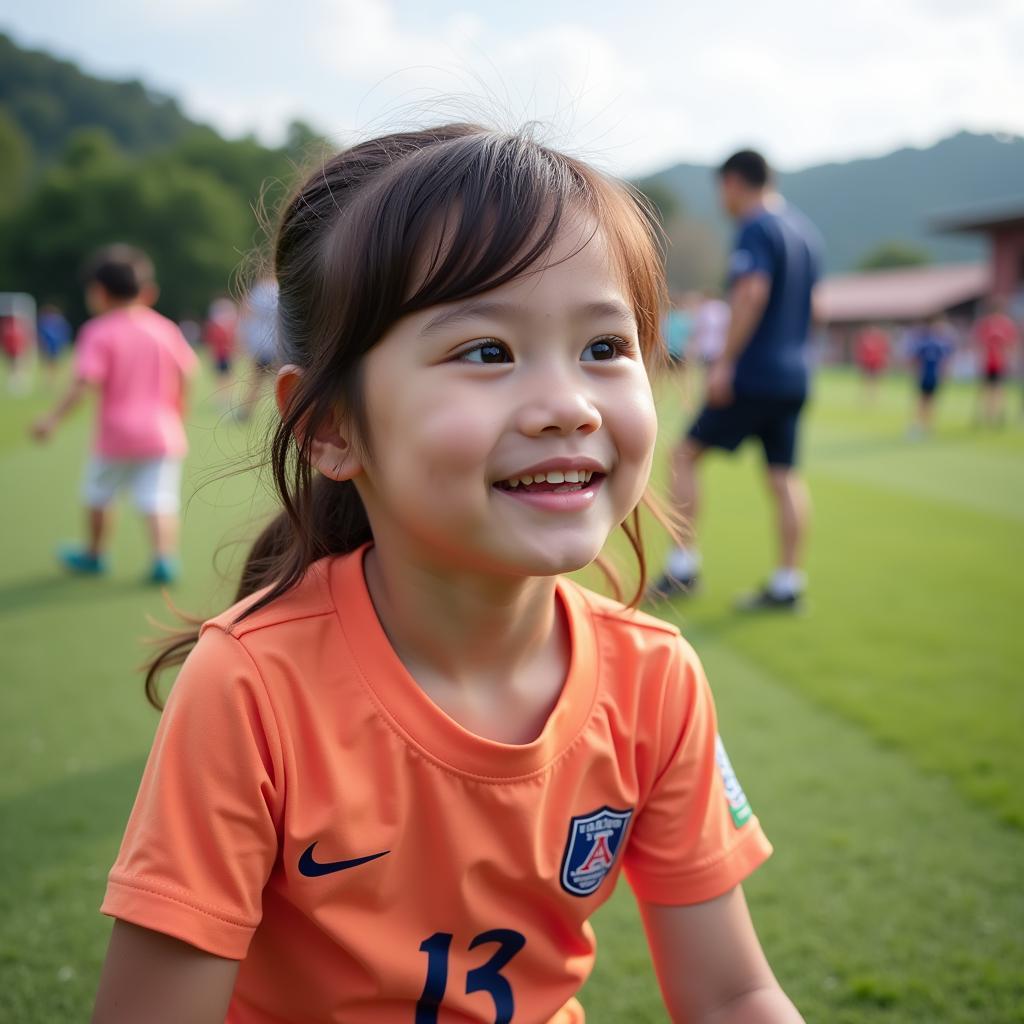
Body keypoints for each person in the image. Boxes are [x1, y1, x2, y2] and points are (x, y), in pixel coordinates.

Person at [91, 126, 803, 1024]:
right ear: (329, 429)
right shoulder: (251, 685)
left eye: (605, 348)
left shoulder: (656, 680)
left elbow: (734, 994)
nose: (568, 406)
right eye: (486, 352)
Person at [649, 150, 822, 611]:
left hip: (753, 373)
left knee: (682, 455)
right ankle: (788, 583)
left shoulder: (757, 227)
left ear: (733, 183)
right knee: (784, 477)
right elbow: (816, 309)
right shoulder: (805, 234)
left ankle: (682, 568)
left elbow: (751, 292)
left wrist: (725, 361)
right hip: (794, 375)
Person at [31, 245, 198, 584]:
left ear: (98, 292)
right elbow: (187, 373)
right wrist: (179, 409)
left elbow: (84, 383)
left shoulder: (99, 331)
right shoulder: (165, 329)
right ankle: (164, 559)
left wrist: (52, 418)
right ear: (147, 291)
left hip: (117, 435)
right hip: (162, 431)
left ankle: (95, 554)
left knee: (98, 493)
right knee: (159, 498)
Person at [233, 274, 279, 421]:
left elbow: (246, 315)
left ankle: (245, 413)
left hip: (261, 345)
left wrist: (243, 340)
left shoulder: (259, 291)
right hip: (276, 345)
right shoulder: (278, 290)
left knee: (256, 381)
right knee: (280, 382)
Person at [905, 316, 954, 437]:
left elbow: (914, 360)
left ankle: (921, 426)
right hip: (930, 376)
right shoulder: (939, 344)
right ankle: (925, 426)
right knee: (928, 402)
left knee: (924, 402)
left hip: (927, 376)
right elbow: (946, 361)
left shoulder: (926, 343)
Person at [972, 298, 1018, 426]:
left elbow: (979, 344)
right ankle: (991, 415)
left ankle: (991, 415)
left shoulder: (990, 324)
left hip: (993, 362)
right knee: (993, 389)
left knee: (992, 389)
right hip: (994, 362)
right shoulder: (1003, 324)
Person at [202, 296, 238, 408]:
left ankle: (226, 398)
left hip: (227, 356)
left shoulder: (229, 327)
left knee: (227, 378)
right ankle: (222, 399)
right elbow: (211, 343)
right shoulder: (215, 327)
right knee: (221, 378)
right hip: (220, 356)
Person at [37, 303, 73, 388]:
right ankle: (51, 380)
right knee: (51, 364)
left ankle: (51, 380)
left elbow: (65, 332)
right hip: (51, 346)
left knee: (53, 364)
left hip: (54, 345)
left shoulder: (56, 321)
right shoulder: (48, 321)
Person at [853, 325, 889, 404]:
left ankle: (873, 397)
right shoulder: (865, 341)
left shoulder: (879, 342)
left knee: (875, 380)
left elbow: (883, 352)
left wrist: (883, 363)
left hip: (875, 363)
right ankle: (864, 396)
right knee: (865, 380)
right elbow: (861, 352)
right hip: (867, 363)